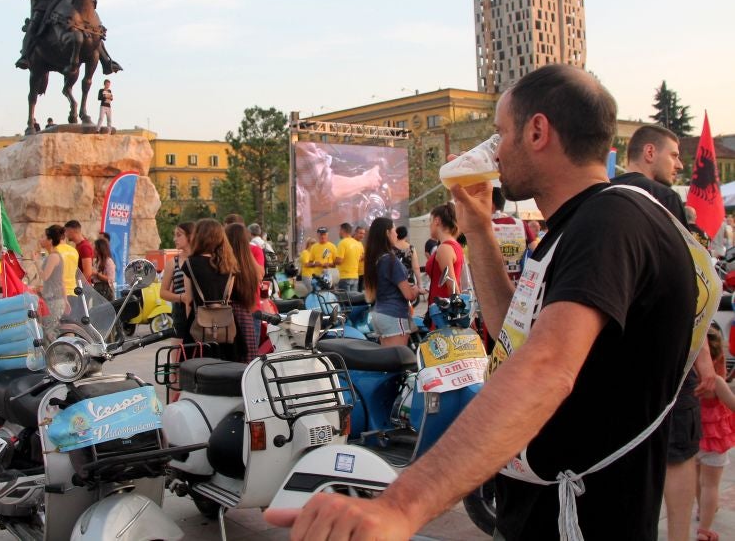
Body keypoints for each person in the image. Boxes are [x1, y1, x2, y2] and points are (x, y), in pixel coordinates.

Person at [266, 64, 708, 539]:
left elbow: (545, 367)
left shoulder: (611, 220)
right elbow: (512, 338)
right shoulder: (576, 226)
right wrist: (477, 228)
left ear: (537, 131)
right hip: (540, 508)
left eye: (500, 133)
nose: (494, 150)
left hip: (583, 519)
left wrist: (400, 506)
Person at [611, 123, 716, 541]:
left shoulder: (607, 194)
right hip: (667, 351)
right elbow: (687, 285)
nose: (679, 163)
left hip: (620, 351)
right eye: (674, 155)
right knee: (677, 453)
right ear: (649, 152)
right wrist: (702, 357)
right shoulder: (663, 198)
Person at [182, 219, 241, 362]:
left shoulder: (190, 264)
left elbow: (188, 300)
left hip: (198, 325)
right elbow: (227, 296)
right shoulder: (229, 265)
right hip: (226, 326)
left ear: (199, 237)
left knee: (197, 370)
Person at [696, 325, 735, 541]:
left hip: (693, 438)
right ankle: (704, 529)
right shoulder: (716, 382)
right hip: (715, 441)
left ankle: (702, 509)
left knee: (695, 480)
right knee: (711, 485)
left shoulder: (689, 377)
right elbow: (732, 404)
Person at [363, 217, 420, 347]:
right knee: (397, 362)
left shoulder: (376, 259)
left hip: (379, 314)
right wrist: (416, 290)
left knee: (387, 361)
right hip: (394, 315)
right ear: (387, 233)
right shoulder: (391, 261)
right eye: (394, 230)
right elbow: (408, 295)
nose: (396, 234)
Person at [224, 223, 263, 361]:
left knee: (230, 360)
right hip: (248, 311)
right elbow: (260, 275)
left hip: (230, 313)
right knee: (248, 359)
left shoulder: (225, 261)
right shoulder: (249, 260)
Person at [491, 186, 537, 282]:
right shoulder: (521, 223)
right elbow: (537, 250)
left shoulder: (485, 226)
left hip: (495, 283)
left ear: (491, 205)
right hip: (520, 283)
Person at [159, 222, 194, 342]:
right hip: (180, 312)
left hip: (201, 311)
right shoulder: (172, 262)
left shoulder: (202, 258)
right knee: (179, 352)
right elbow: (163, 292)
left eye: (179, 235)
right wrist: (181, 297)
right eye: (175, 235)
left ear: (191, 236)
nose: (175, 239)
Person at [425, 203, 464, 306]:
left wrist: (458, 312)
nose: (429, 225)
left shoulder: (445, 248)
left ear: (437, 220)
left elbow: (453, 287)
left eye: (430, 221)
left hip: (444, 313)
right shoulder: (454, 245)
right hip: (443, 310)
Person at [35, 225, 66, 341]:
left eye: (43, 237)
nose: (40, 239)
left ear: (50, 240)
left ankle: (56, 356)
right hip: (55, 298)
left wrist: (36, 262)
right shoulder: (52, 256)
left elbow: (45, 276)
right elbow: (60, 280)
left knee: (50, 332)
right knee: (51, 330)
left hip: (53, 299)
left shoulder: (53, 256)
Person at [334, 222, 364, 292]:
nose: (339, 233)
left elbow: (339, 261)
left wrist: (333, 261)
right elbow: (360, 258)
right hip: (355, 277)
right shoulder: (357, 244)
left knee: (344, 300)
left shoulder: (342, 243)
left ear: (342, 230)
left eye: (339, 230)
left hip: (344, 277)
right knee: (353, 300)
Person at [91, 237, 116, 301]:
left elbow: (110, 279)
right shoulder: (96, 261)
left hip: (104, 290)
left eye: (95, 248)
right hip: (97, 288)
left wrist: (96, 274)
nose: (93, 249)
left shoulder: (108, 261)